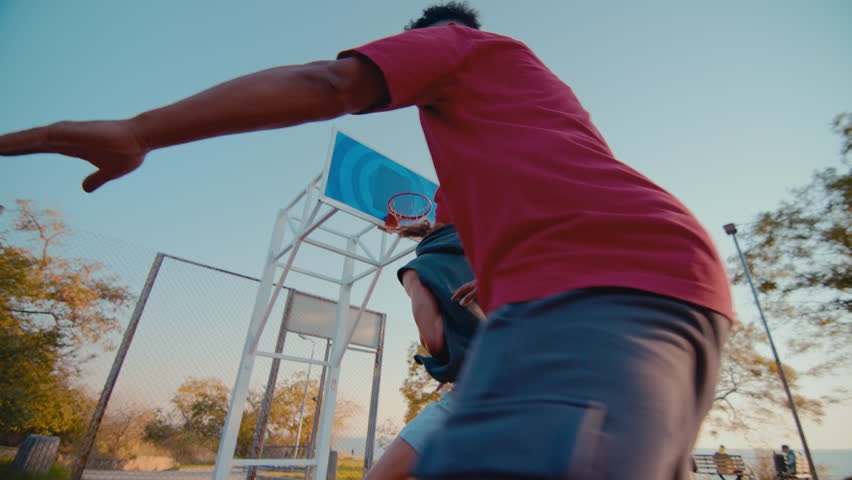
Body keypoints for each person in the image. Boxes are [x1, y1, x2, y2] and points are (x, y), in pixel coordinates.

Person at [0, 2, 733, 478]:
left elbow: (329, 83)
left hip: (605, 284)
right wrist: (484, 271)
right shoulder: (509, 126)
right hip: (647, 284)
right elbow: (494, 209)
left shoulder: (464, 47)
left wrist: (138, 131)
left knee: (449, 363)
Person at [368, 204, 483, 480]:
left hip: (479, 387)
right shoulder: (493, 255)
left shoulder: (417, 269)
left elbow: (435, 339)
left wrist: (445, 362)